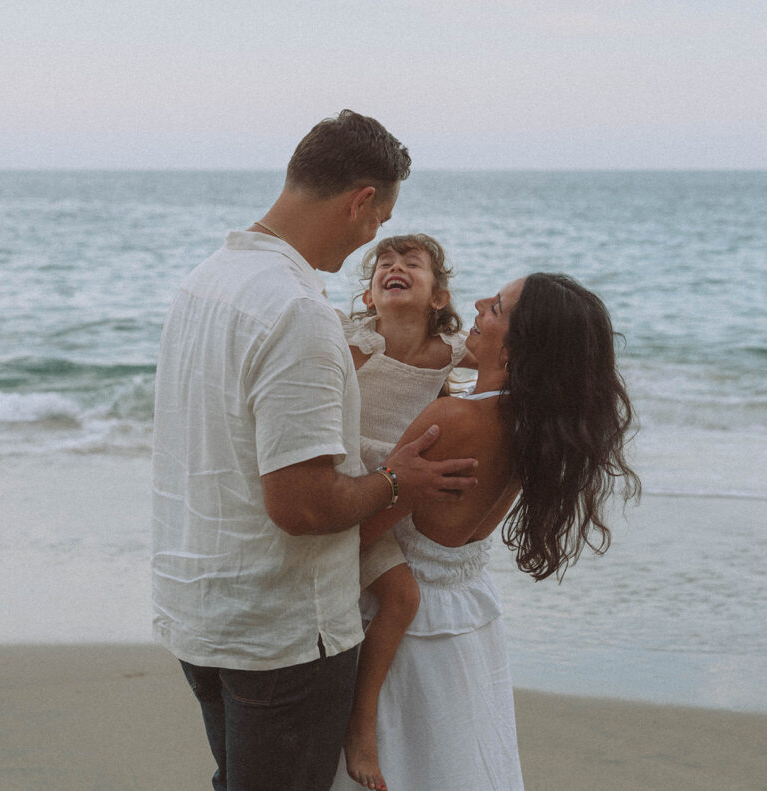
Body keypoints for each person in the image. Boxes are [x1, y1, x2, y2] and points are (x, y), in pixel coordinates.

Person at [151, 110, 478, 791]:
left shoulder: (203, 281)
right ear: (362, 201)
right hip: (280, 634)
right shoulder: (297, 311)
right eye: (379, 221)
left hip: (201, 612)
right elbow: (300, 505)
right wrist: (396, 481)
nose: (376, 236)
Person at [331, 272, 641, 791]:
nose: (477, 305)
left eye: (495, 307)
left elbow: (362, 535)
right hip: (467, 615)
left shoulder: (454, 418)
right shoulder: (535, 426)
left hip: (407, 628)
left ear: (519, 346)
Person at [337, 233, 476, 790]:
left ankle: (360, 719)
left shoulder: (453, 352)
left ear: (438, 296)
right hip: (350, 481)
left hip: (398, 489)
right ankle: (354, 718)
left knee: (401, 596)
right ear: (369, 297)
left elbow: (506, 370)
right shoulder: (355, 344)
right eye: (383, 266)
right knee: (387, 591)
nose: (394, 268)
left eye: (410, 264)